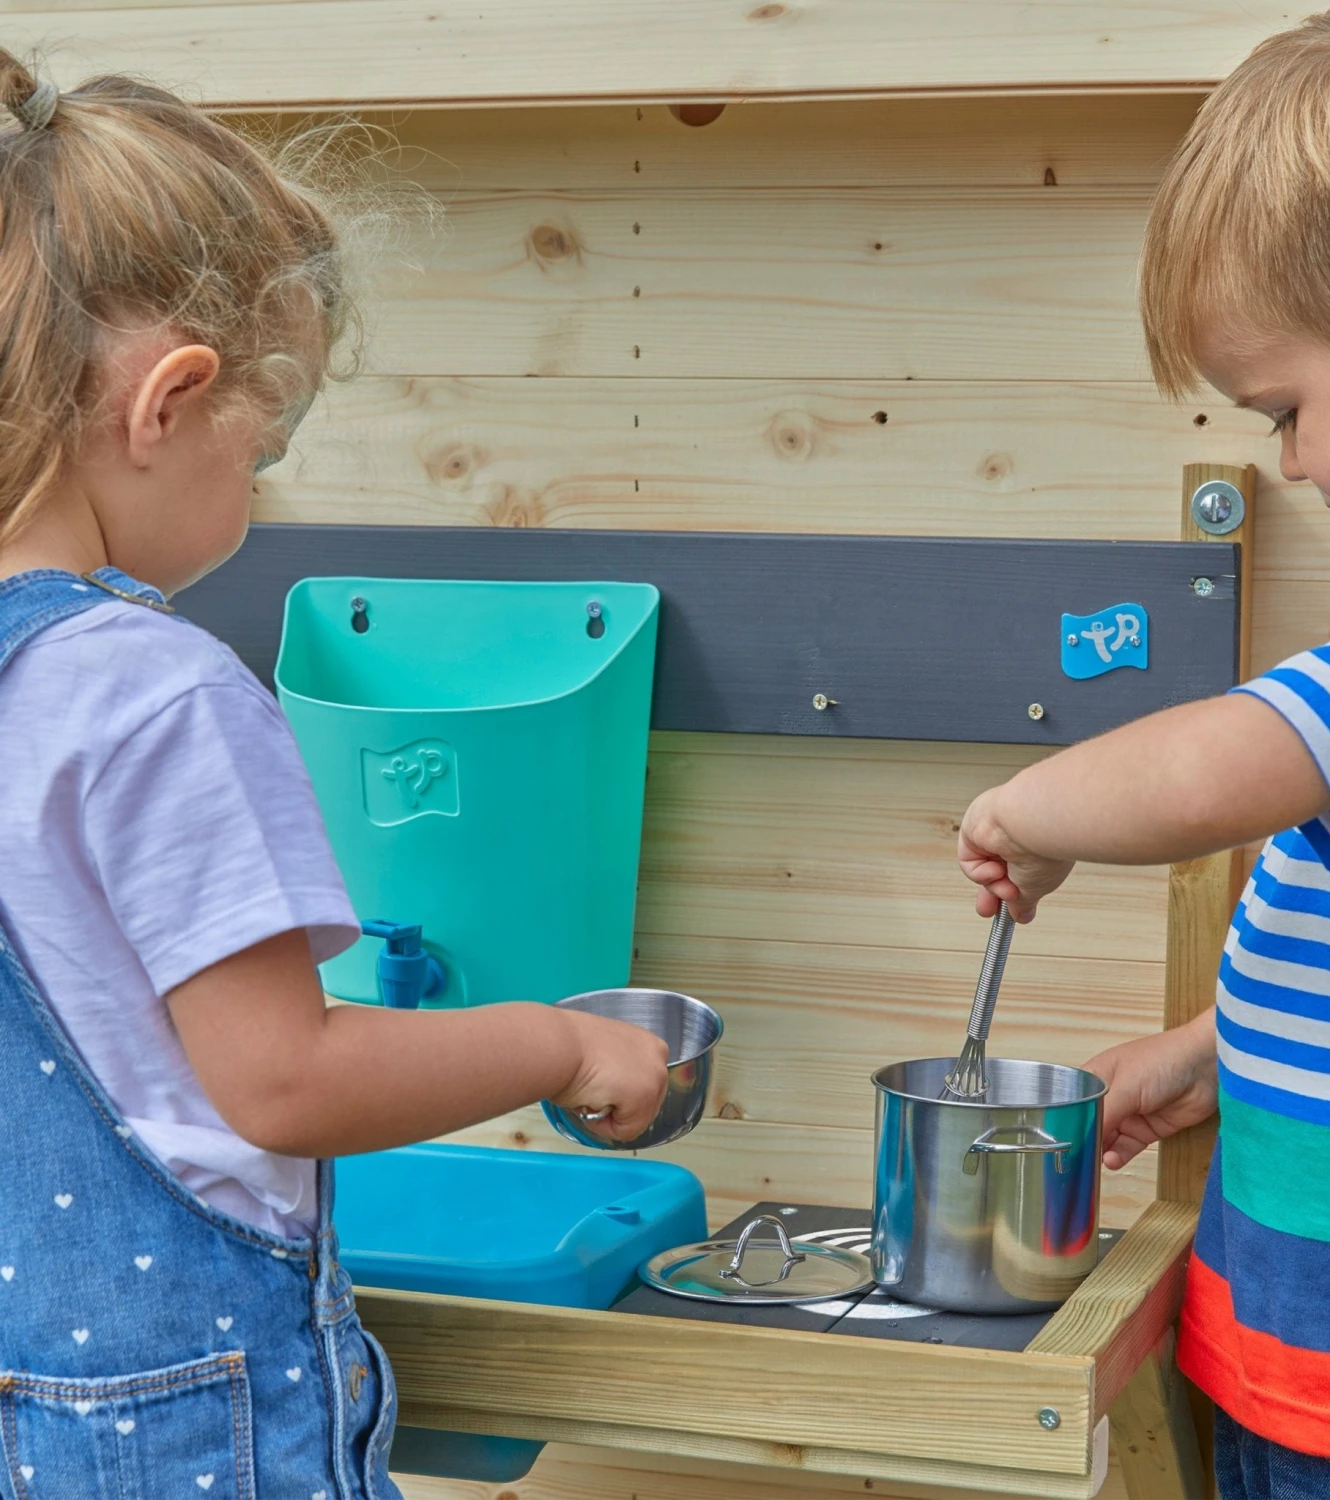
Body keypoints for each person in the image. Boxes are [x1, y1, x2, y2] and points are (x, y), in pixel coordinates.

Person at [0, 51, 668, 1497]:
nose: (267, 491)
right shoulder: (151, 689)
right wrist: (559, 1040)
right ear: (169, 403)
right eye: (270, 445)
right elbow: (288, 1080)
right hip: (177, 1429)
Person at [957, 3, 1330, 1494]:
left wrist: (1036, 805)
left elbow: (1232, 766)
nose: (1293, 464)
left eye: (1288, 411)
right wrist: (1225, 1050)